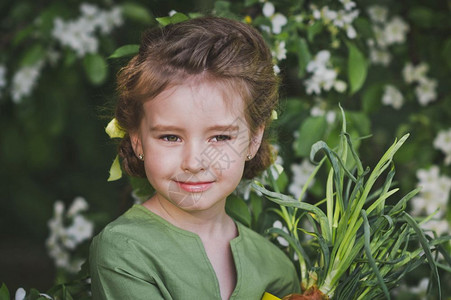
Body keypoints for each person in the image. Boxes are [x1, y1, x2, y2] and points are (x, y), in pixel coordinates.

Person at [89, 16, 301, 300]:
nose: (194, 162)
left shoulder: (276, 267)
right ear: (137, 139)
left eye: (220, 137)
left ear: (253, 140)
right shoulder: (125, 249)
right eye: (170, 137)